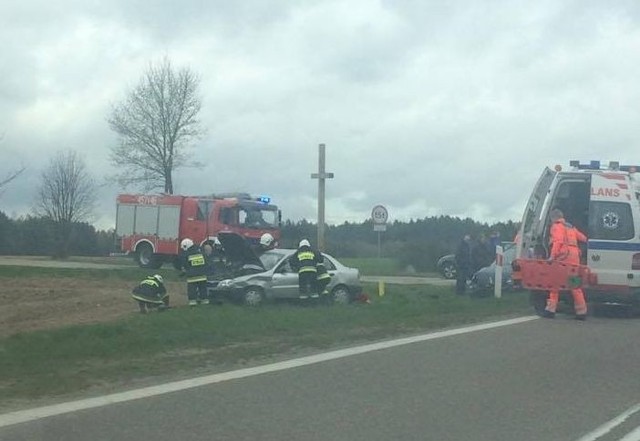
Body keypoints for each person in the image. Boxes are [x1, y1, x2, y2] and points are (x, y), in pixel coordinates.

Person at [543, 208, 588, 320]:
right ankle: (581, 312)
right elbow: (583, 238)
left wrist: (552, 256)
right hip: (575, 257)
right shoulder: (570, 226)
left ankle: (550, 310)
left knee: (555, 283)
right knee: (574, 284)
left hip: (563, 258)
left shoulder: (556, 226)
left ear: (553, 218)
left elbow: (558, 242)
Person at [179, 238, 209, 306]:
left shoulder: (187, 254)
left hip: (192, 276)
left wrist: (185, 271)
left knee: (192, 289)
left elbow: (186, 265)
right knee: (203, 288)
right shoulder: (201, 252)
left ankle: (192, 301)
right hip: (202, 276)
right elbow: (207, 262)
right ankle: (204, 300)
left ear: (186, 245)